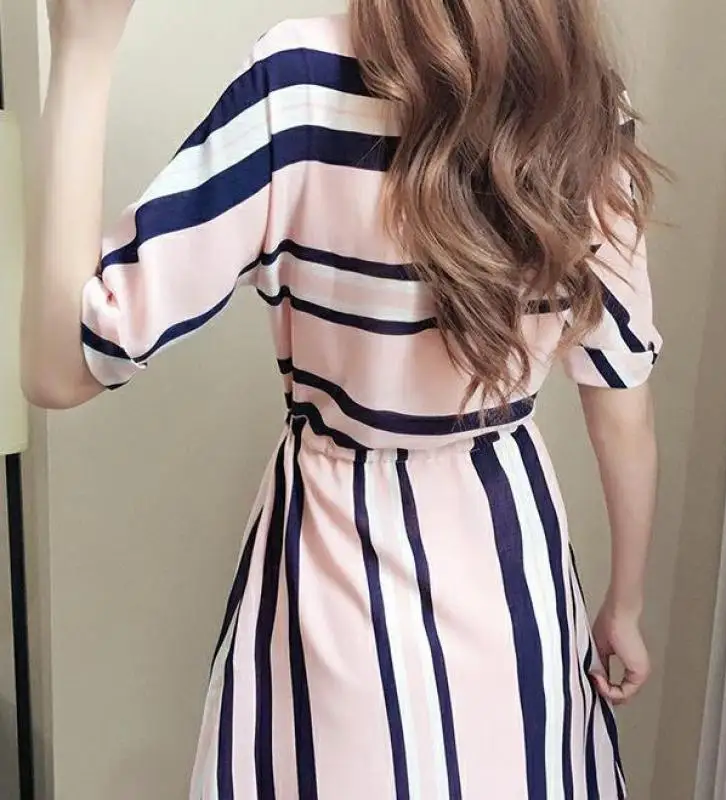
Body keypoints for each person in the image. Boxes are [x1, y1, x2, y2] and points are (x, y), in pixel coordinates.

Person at [22, 0, 661, 797]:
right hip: (515, 564)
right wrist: (625, 604)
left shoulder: (300, 85)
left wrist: (82, 51)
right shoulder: (586, 96)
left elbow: (61, 367)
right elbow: (621, 405)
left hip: (338, 567)